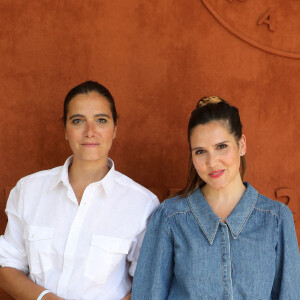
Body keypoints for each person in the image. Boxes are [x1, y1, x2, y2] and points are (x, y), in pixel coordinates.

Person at [0, 81, 159, 300]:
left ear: (115, 129)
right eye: (78, 121)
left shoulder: (142, 204)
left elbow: (147, 285)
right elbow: (7, 266)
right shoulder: (28, 191)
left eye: (101, 120)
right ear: (65, 129)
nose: (90, 132)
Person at [131, 96, 300, 299]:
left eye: (221, 147)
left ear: (242, 144)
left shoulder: (276, 218)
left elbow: (290, 295)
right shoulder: (170, 217)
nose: (212, 162)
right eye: (201, 152)